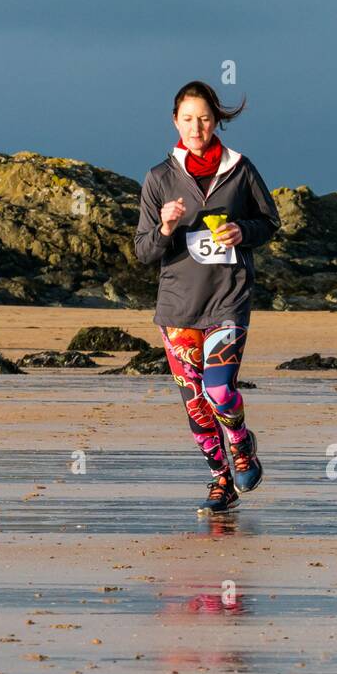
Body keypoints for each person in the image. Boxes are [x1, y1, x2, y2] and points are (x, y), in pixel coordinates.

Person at [135, 81, 281, 513]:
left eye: (204, 118)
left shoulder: (241, 169)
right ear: (174, 121)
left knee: (219, 391)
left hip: (228, 299)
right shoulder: (159, 178)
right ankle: (221, 481)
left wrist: (243, 231)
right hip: (178, 306)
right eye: (187, 119)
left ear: (217, 120)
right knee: (196, 405)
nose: (196, 127)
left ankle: (241, 445)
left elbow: (269, 221)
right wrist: (164, 228)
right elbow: (143, 251)